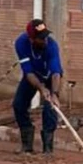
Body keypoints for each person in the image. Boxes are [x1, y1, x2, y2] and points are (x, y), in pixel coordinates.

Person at [12, 19, 64, 154]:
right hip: (33, 76)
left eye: (45, 36)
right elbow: (28, 72)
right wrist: (41, 88)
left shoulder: (52, 46)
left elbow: (56, 73)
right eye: (41, 38)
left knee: (50, 108)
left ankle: (47, 149)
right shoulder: (21, 43)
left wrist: (54, 94)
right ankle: (27, 145)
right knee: (18, 104)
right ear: (31, 39)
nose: (45, 40)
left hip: (51, 78)